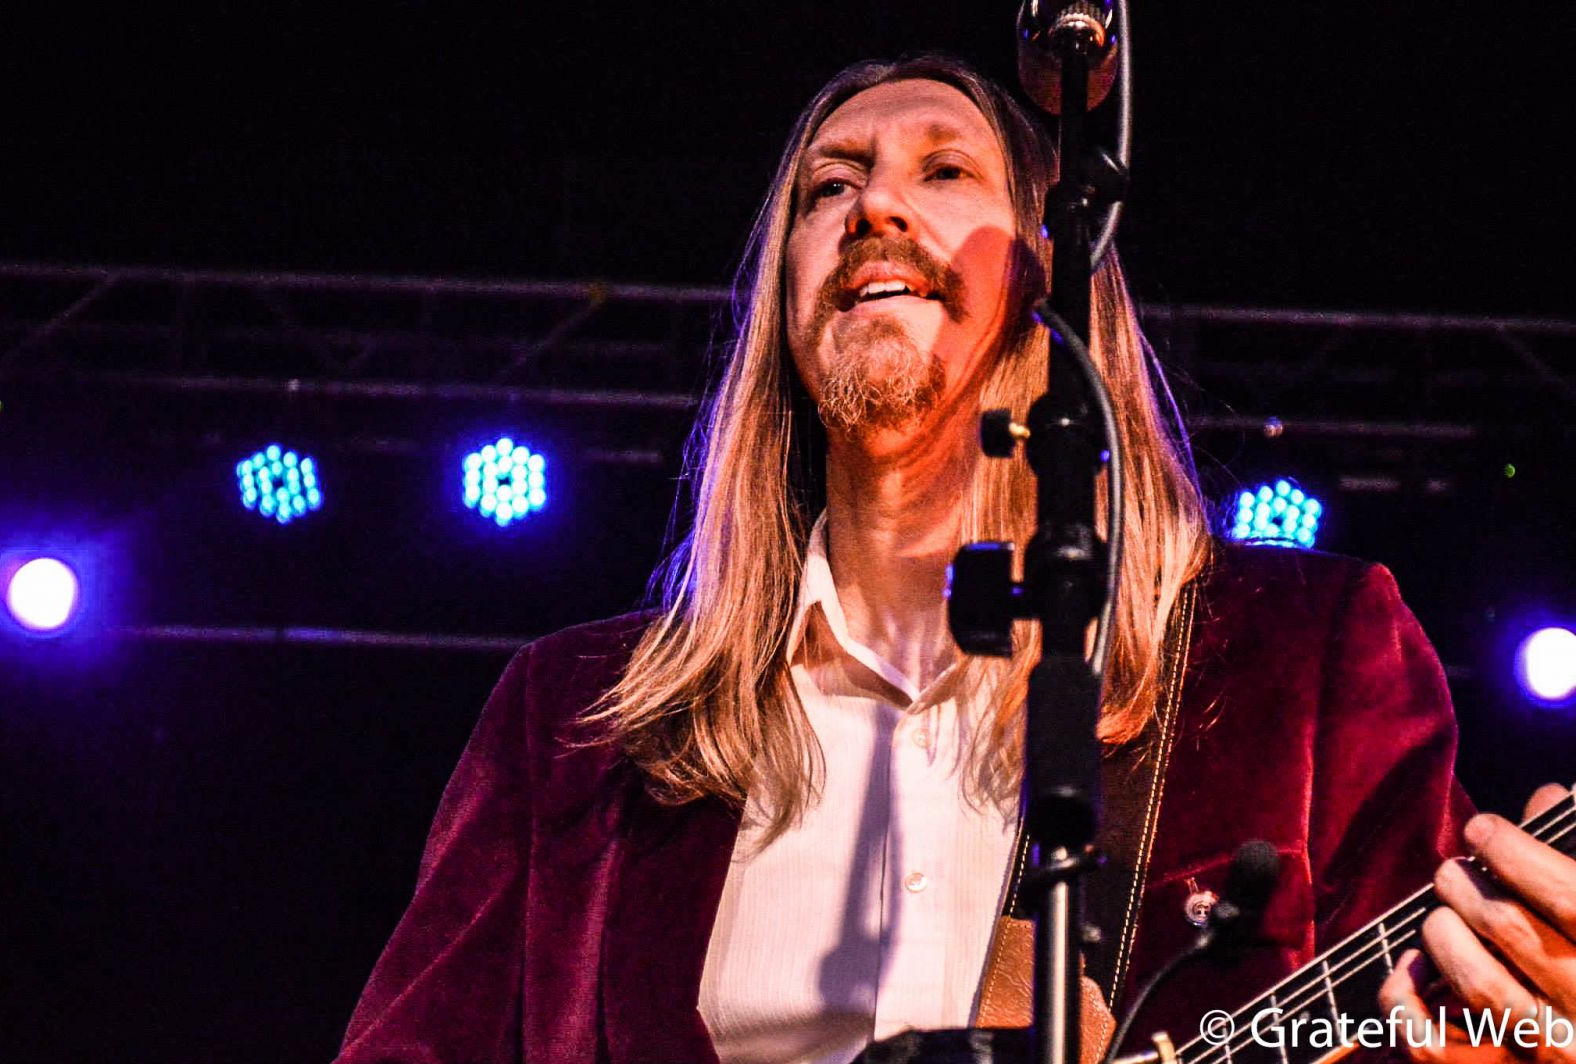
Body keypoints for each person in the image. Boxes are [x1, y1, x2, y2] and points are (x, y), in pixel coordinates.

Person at [334, 55, 1575, 1064]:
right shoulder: (574, 719)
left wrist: (1532, 1017)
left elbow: (1453, 1020)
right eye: (827, 187)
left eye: (942, 171)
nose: (873, 208)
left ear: (1055, 274)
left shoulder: (1297, 652)